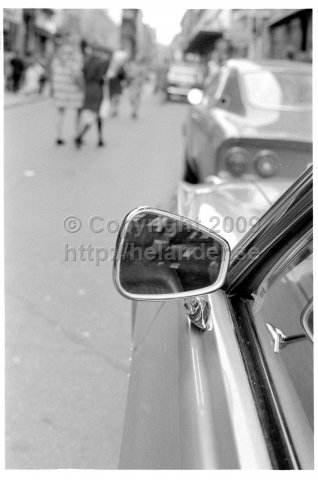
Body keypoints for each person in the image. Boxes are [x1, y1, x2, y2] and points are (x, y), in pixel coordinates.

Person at [74, 43, 110, 148]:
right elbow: (103, 77)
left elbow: (81, 74)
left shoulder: (87, 61)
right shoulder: (103, 62)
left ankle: (99, 138)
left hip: (88, 89)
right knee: (96, 114)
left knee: (91, 113)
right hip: (97, 89)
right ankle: (81, 136)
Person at [51, 33, 84, 145]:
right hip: (73, 88)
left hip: (59, 87)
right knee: (78, 110)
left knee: (60, 111)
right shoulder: (76, 55)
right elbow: (76, 73)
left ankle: (58, 135)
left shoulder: (58, 54)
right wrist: (81, 86)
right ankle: (77, 134)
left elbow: (53, 69)